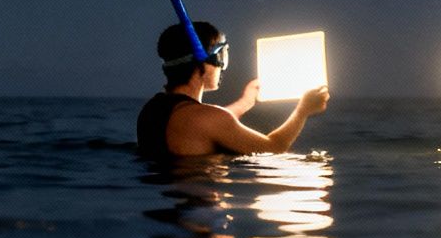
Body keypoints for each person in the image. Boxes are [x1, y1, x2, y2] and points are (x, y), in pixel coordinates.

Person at [136, 21, 330, 157]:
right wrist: (303, 111)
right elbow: (275, 148)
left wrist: (245, 103)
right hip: (201, 208)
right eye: (221, 56)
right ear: (204, 61)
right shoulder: (206, 118)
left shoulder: (151, 110)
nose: (222, 66)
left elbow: (205, 124)